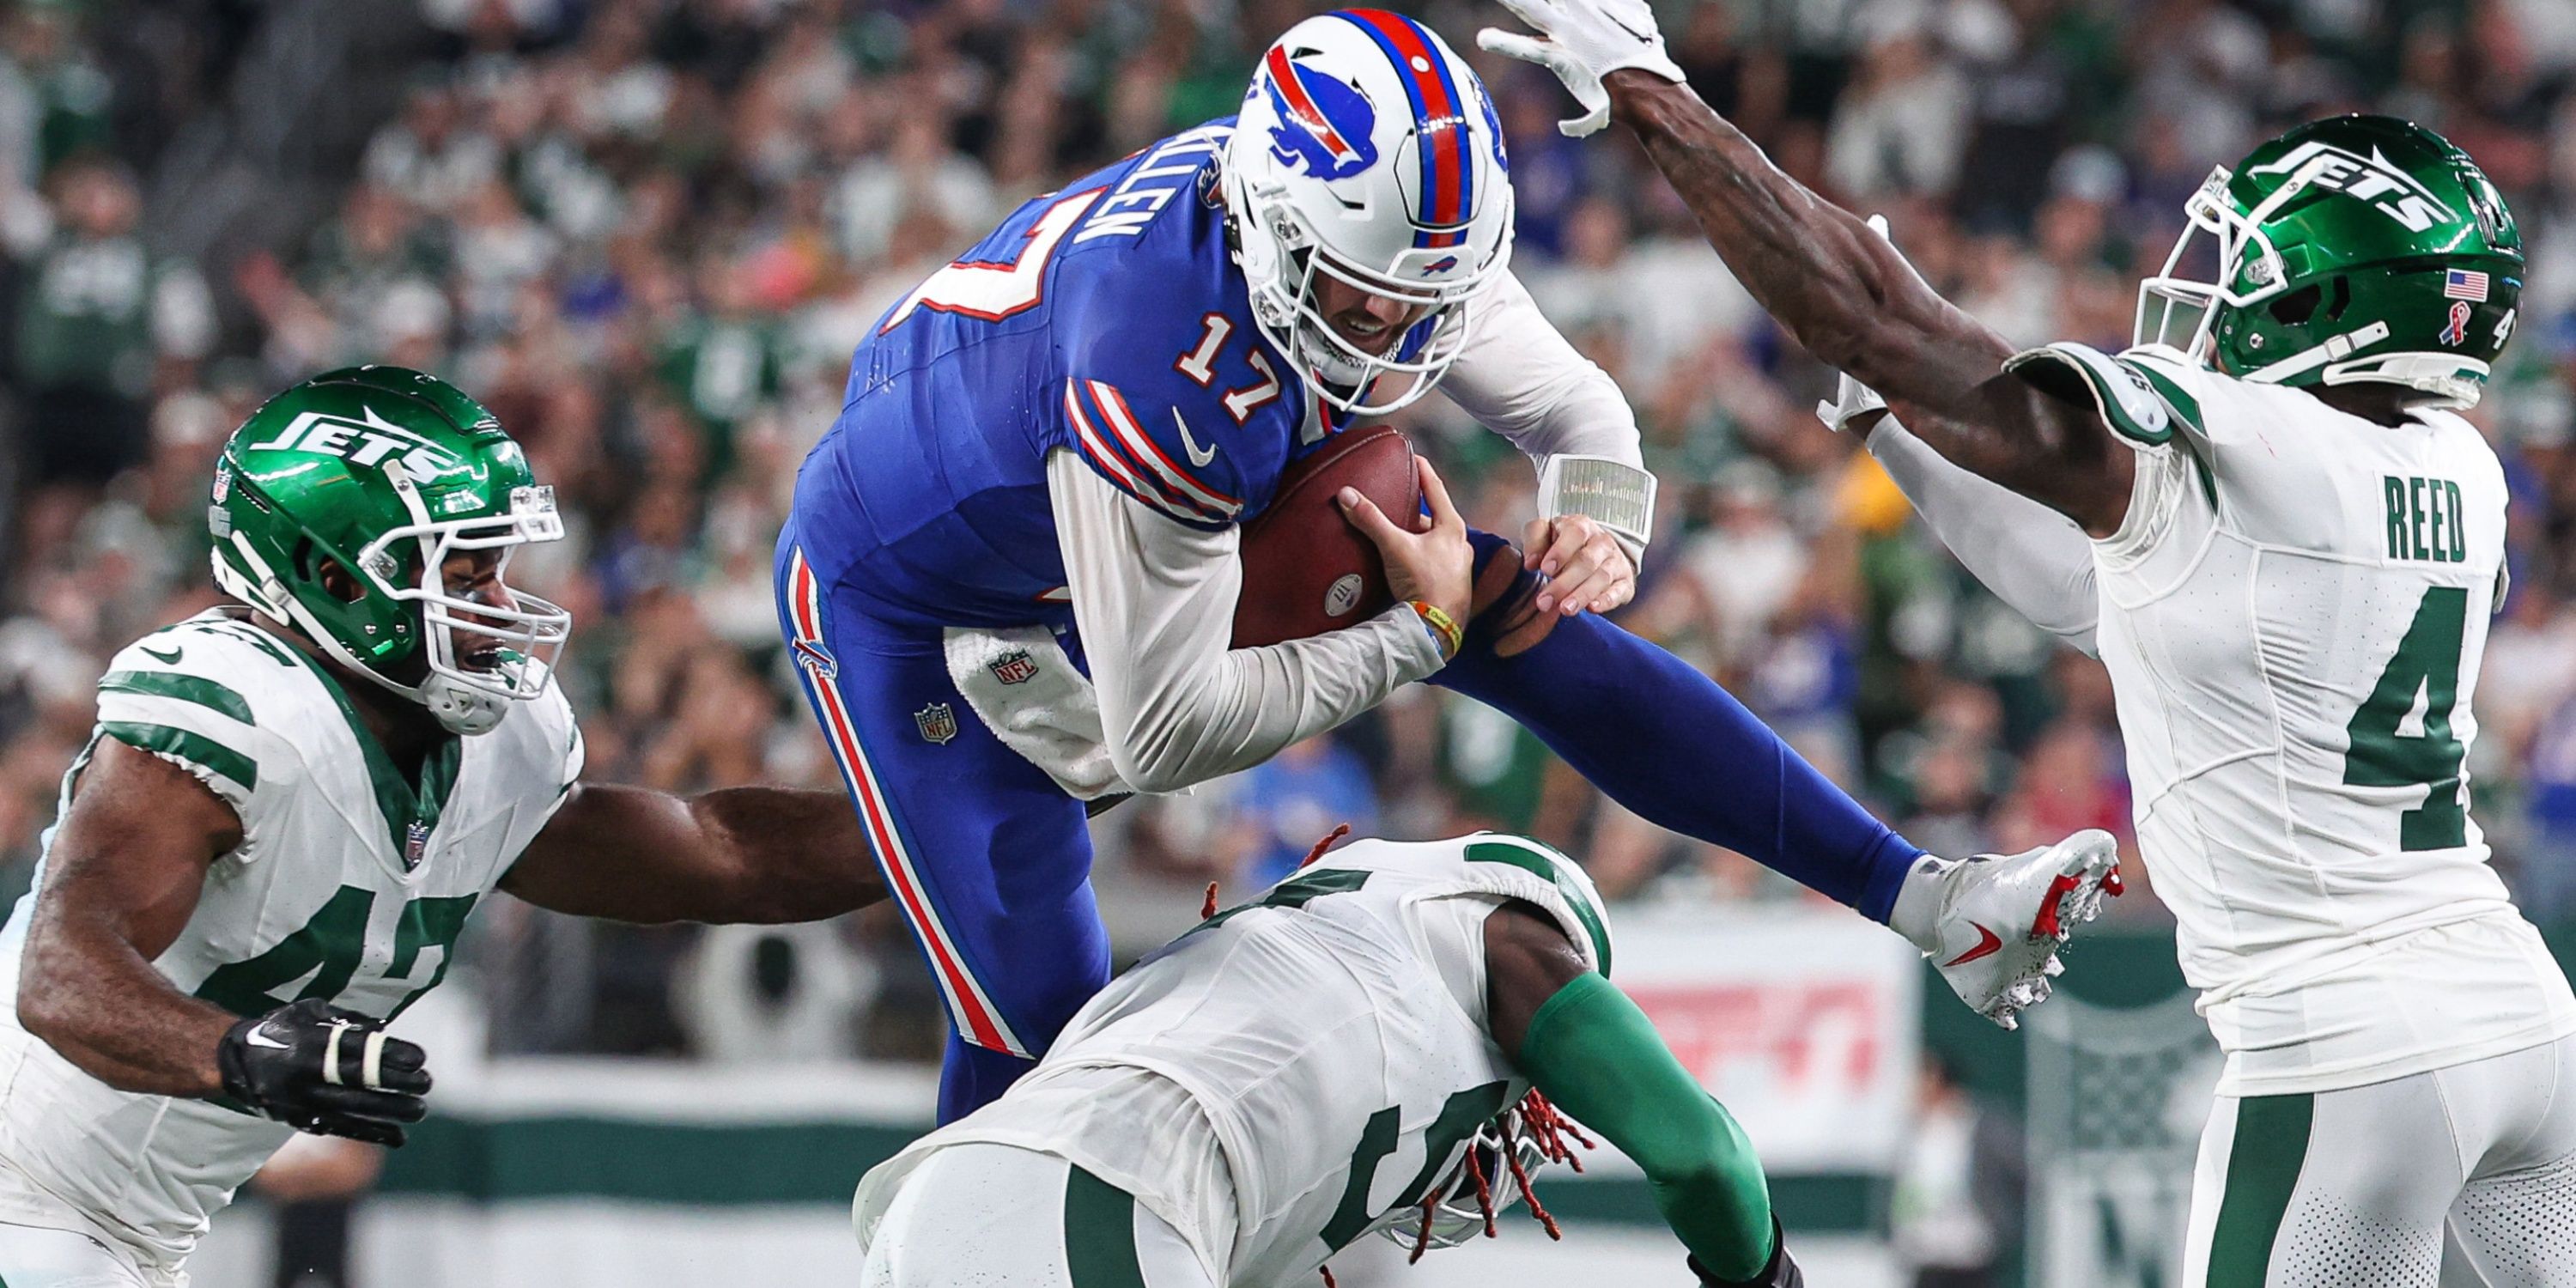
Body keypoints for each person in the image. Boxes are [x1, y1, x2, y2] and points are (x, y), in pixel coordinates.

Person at [782, 7, 2122, 1121]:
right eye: (1373, 303)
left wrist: (1601, 521)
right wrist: (1417, 636)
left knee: (1510, 602)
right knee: (1041, 1026)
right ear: (1275, 230)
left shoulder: (1383, 232)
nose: (1400, 335)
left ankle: (1932, 901)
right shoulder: (1159, 351)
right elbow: (1167, 726)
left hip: (1095, 526)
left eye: (1430, 296)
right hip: (915, 596)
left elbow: (1578, 414)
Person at [1477, 2, 2576, 1277]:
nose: (2219, 287)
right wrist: (1888, 428)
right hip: (2521, 1020)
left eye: (2253, 262)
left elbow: (1896, 331)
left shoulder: (2259, 447)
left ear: (2334, 290)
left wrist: (1662, 102)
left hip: (2346, 1046)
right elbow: (2108, 590)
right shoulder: (2466, 469)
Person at [0, 367, 888, 1288]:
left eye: (497, 569)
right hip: (22, 1200)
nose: (499, 608)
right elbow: (61, 973)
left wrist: (936, 829)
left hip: (133, 1236)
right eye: (463, 575)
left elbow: (722, 856)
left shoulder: (491, 748)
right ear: (331, 574)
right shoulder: (241, 709)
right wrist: (236, 1051)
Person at [854, 832, 1801, 1288]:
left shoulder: (1300, 956)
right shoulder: (1509, 940)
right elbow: (1702, 1154)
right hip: (1103, 1200)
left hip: (949, 1206)